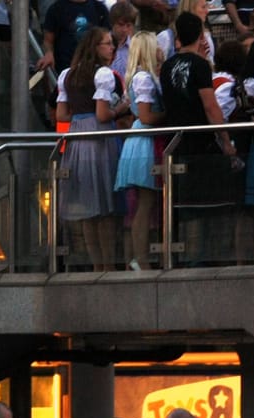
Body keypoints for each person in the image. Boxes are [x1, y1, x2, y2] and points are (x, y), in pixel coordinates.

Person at [161, 13, 239, 263]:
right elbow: (210, 106)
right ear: (200, 35)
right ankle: (206, 260)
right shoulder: (200, 66)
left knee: (185, 208)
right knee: (209, 207)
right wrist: (226, 141)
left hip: (175, 142)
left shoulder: (167, 66)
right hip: (201, 143)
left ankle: (186, 259)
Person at [58, 27, 128, 271]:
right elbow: (102, 113)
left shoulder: (68, 75)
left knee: (89, 208)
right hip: (99, 137)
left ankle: (97, 265)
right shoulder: (103, 74)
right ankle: (108, 265)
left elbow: (61, 113)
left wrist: (80, 113)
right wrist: (120, 108)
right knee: (105, 207)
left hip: (78, 135)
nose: (112, 48)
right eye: (107, 44)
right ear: (95, 47)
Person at [115, 32, 165, 271]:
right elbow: (145, 116)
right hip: (145, 138)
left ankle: (140, 257)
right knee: (145, 203)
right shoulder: (144, 78)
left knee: (146, 202)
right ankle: (141, 258)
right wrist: (169, 116)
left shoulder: (141, 76)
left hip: (141, 137)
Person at [37, 0, 111, 74]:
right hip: (65, 71)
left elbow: (107, 39)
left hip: (95, 70)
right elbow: (48, 40)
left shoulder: (99, 8)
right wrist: (49, 53)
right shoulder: (55, 9)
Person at [109, 1, 138, 79]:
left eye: (128, 25)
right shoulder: (103, 44)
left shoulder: (135, 47)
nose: (124, 29)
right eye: (120, 25)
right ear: (112, 23)